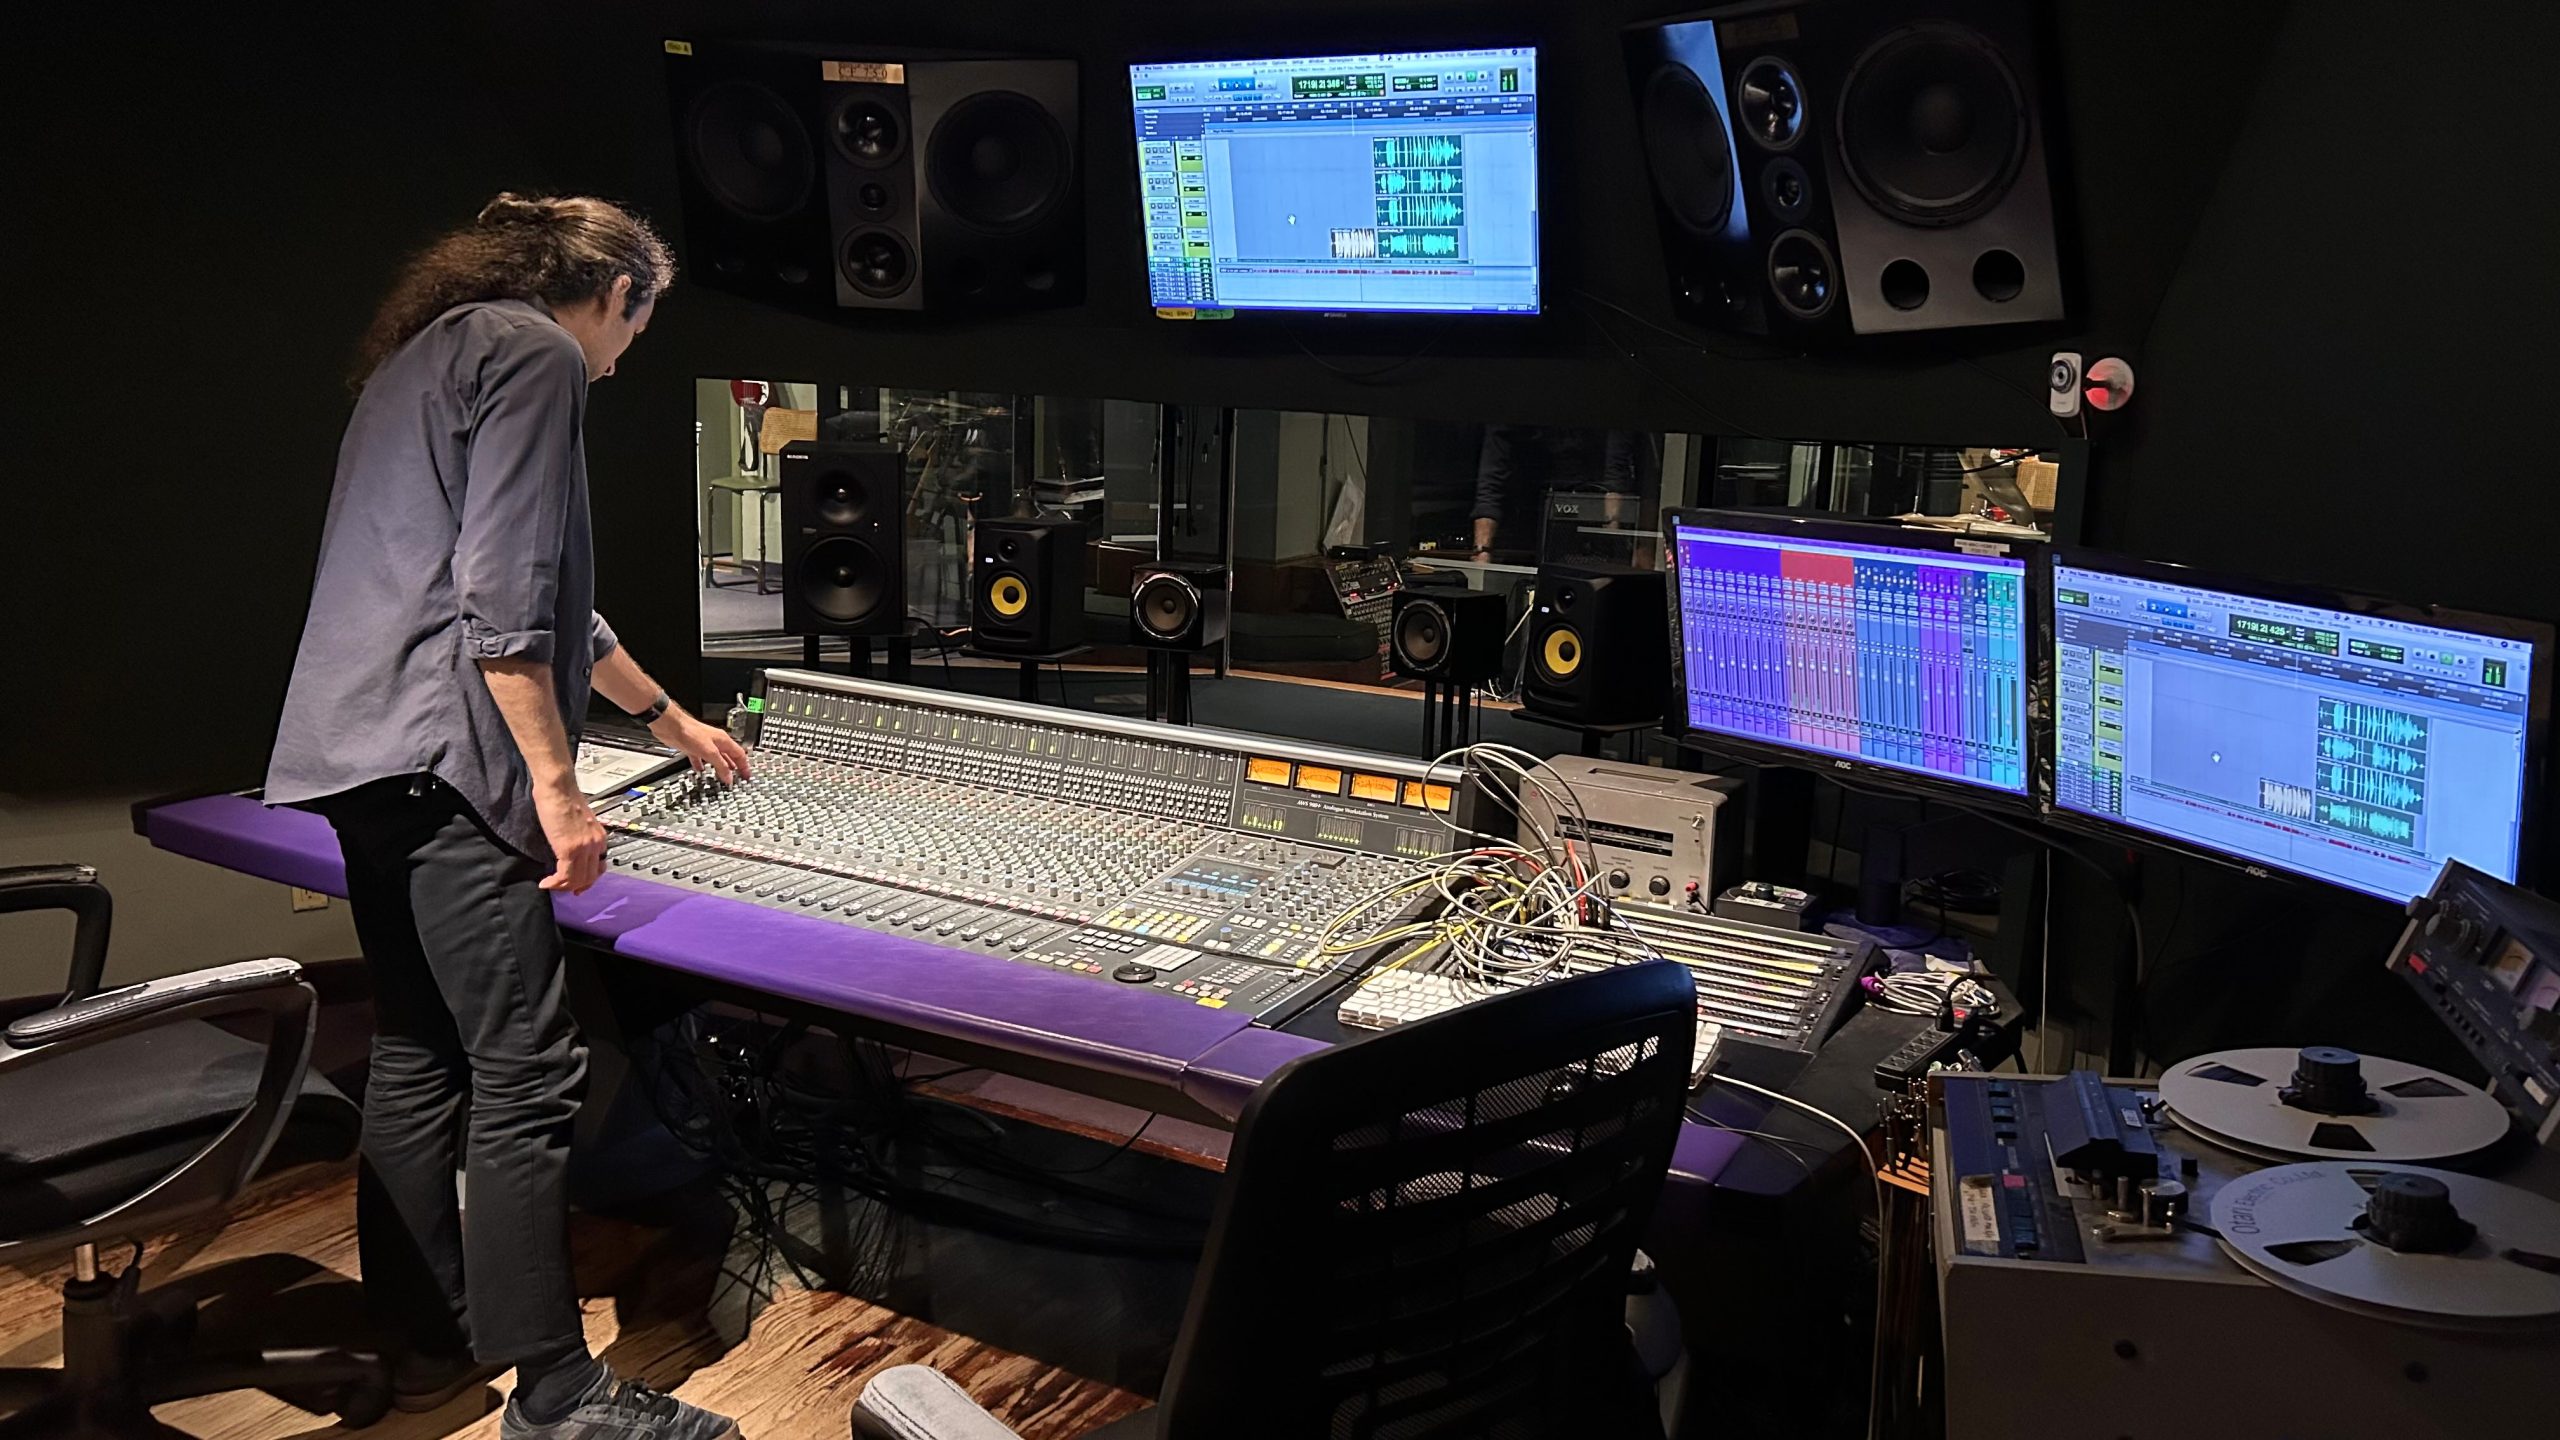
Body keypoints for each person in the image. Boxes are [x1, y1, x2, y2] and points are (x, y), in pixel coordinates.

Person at [266, 193, 747, 1440]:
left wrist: (667, 723)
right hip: (446, 761)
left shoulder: (431, 354)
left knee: (421, 1051)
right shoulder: (537, 353)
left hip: (358, 756)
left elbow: (534, 600)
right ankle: (559, 1395)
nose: (631, 349)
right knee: (530, 1074)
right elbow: (504, 596)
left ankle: (427, 1351)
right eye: (643, 322)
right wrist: (557, 786)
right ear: (617, 295)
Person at [1470, 424, 1643, 563]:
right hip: (1530, 513)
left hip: (1592, 503)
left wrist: (1613, 526)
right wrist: (1482, 550)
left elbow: (1618, 449)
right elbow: (1494, 462)